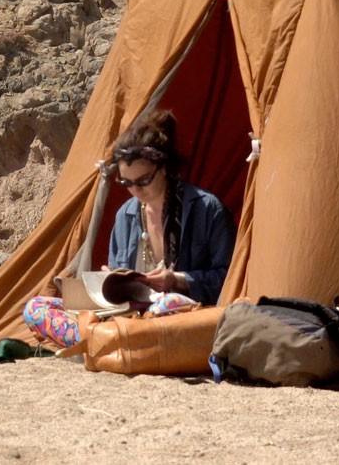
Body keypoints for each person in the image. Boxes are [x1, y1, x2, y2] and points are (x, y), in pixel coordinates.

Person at [21, 109, 236, 349]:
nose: (135, 190)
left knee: (168, 305)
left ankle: (108, 341)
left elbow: (228, 278)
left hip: (180, 313)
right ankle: (119, 340)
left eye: (143, 180)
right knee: (36, 308)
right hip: (130, 314)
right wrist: (111, 279)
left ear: (163, 167)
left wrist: (177, 280)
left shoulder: (207, 209)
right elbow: (119, 274)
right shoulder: (126, 214)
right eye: (126, 182)